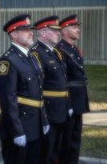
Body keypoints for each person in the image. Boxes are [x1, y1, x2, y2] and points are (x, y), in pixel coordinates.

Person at [0, 14, 49, 164]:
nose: (30, 32)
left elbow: (38, 93)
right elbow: (8, 101)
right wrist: (17, 131)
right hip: (19, 127)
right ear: (14, 34)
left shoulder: (31, 57)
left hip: (35, 125)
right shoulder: (7, 61)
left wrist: (43, 120)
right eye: (25, 30)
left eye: (30, 29)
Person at [31, 16, 72, 163]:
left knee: (57, 151)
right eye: (54, 31)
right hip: (48, 112)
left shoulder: (56, 53)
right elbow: (36, 87)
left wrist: (68, 105)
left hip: (60, 111)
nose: (58, 34)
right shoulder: (36, 54)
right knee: (46, 153)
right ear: (42, 33)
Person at [56, 14, 90, 164]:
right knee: (66, 143)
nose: (78, 30)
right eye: (74, 27)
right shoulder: (60, 50)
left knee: (75, 142)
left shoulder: (74, 49)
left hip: (78, 102)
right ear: (64, 31)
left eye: (78, 27)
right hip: (67, 103)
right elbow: (61, 80)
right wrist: (67, 103)